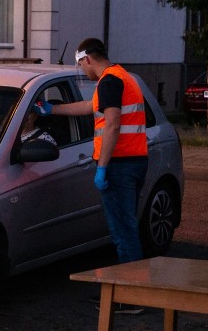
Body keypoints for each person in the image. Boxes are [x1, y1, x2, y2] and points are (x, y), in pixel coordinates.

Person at [36, 38, 148, 264]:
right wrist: (51, 109)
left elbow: (112, 124)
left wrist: (103, 167)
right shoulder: (121, 76)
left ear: (87, 58)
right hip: (134, 161)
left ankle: (125, 295)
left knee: (123, 233)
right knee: (127, 227)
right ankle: (126, 290)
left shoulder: (109, 81)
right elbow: (89, 107)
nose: (82, 70)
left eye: (81, 65)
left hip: (119, 165)